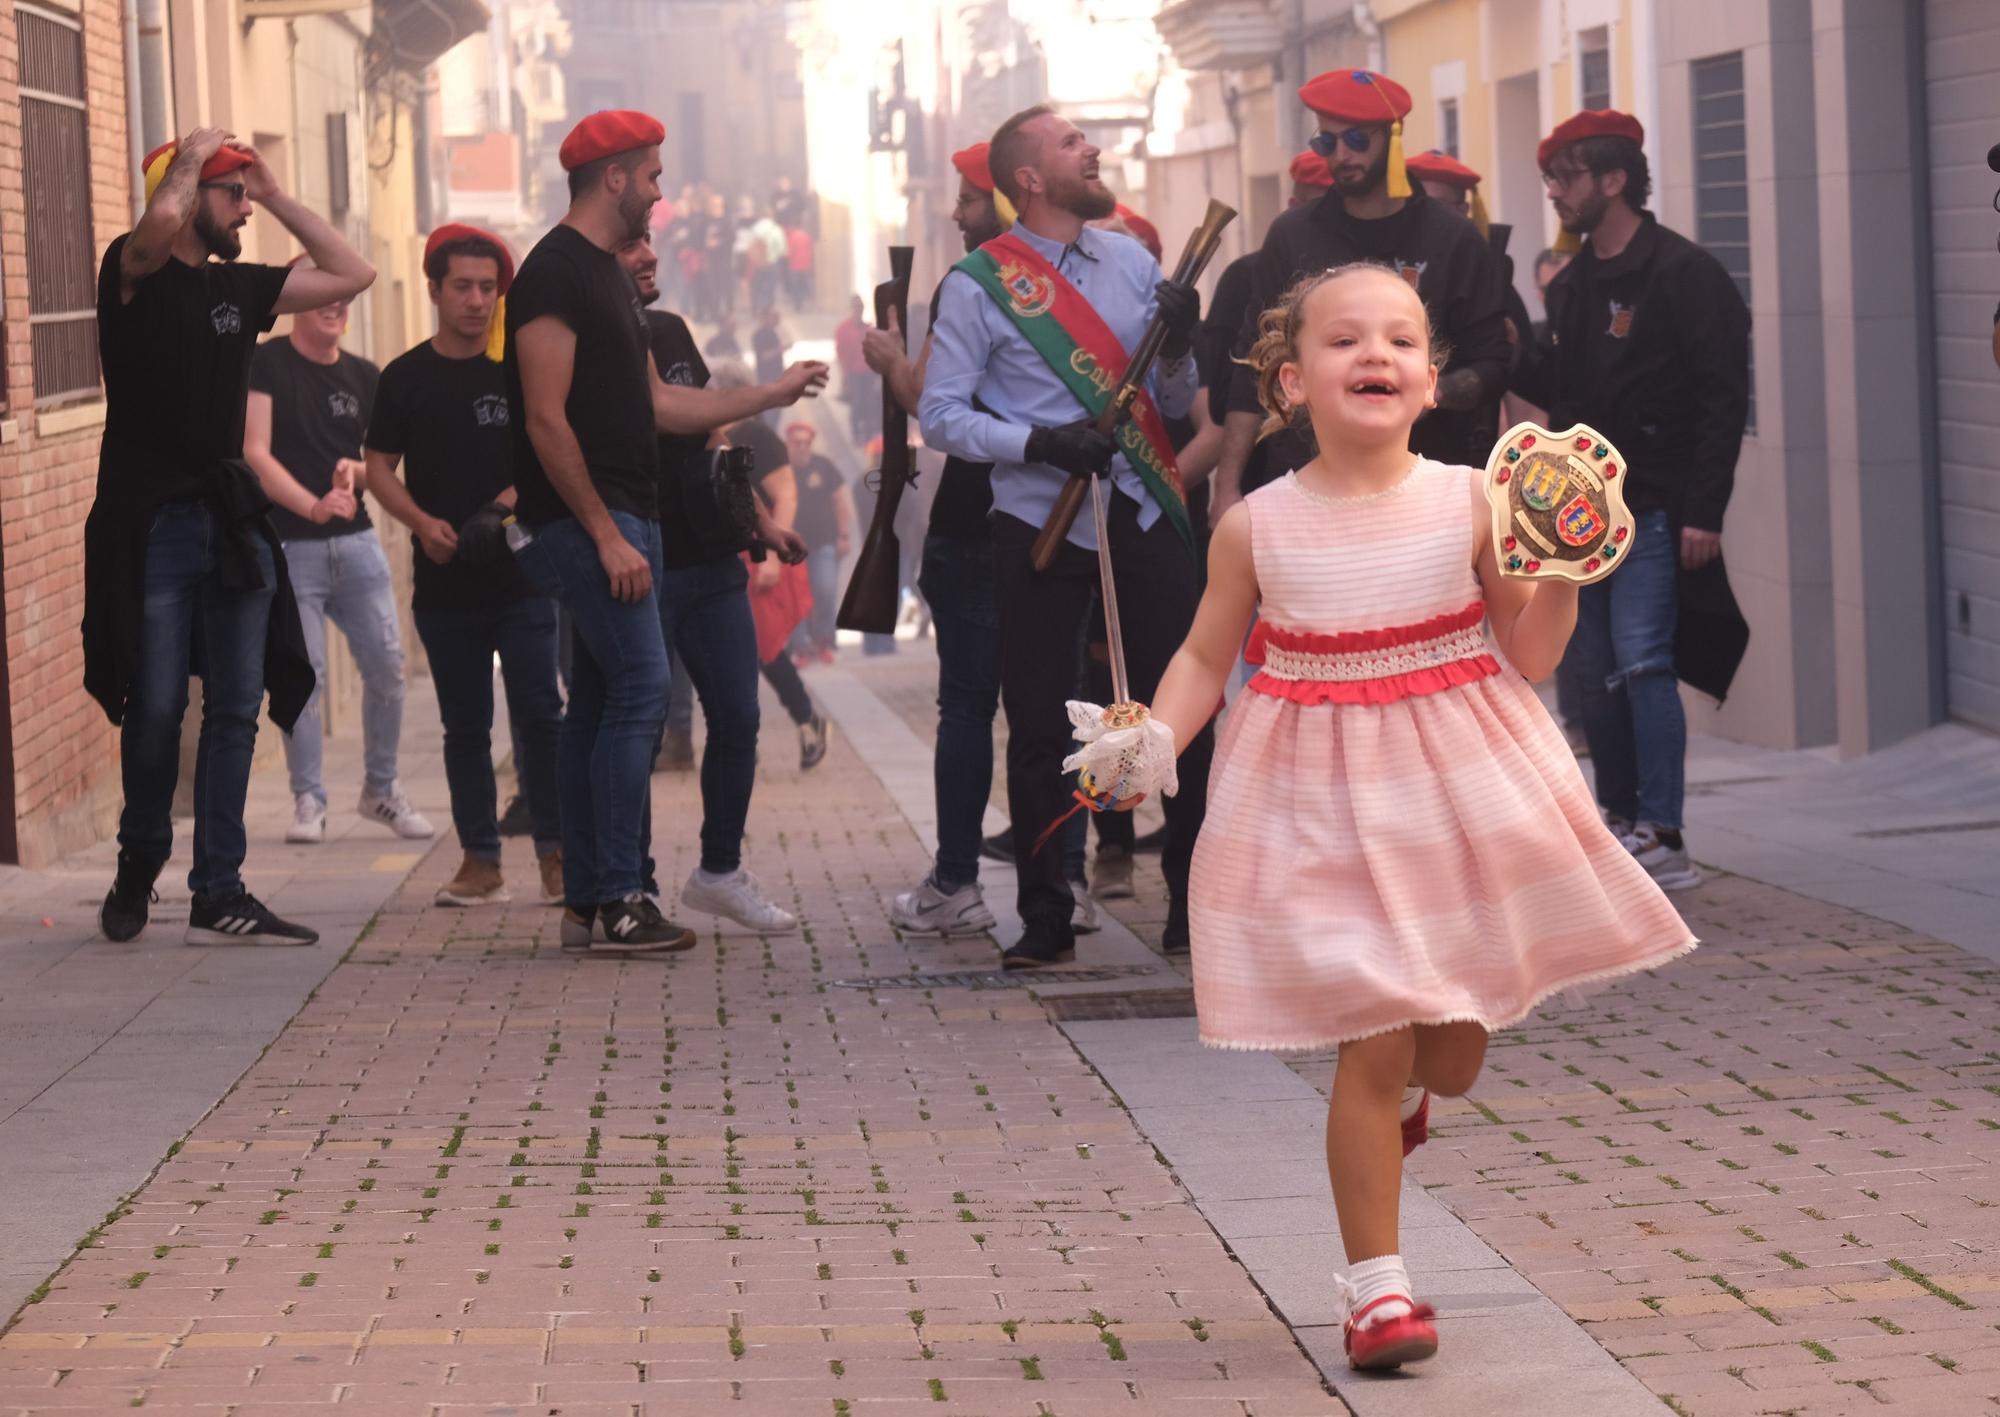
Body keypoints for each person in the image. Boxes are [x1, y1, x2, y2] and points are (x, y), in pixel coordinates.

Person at [1066, 261, 1696, 1370]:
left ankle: (1416, 1090)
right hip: (1320, 807)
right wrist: (1148, 740)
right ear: (1288, 378)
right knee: (1373, 1031)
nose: (1376, 356)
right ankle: (1375, 1293)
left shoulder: (1469, 500)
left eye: (1400, 341)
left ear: (1430, 378)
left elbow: (1534, 653)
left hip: (1459, 799)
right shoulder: (1255, 527)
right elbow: (1207, 655)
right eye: (1345, 340)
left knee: (1446, 1052)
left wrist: (1560, 566)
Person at [920, 104, 1208, 968]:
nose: (1093, 149)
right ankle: (1046, 911)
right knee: (1043, 718)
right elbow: (940, 416)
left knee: (1186, 710)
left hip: (1142, 504)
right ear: (1030, 180)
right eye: (1071, 143)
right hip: (1036, 518)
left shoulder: (1129, 257)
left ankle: (1195, 904)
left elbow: (1175, 388)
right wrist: (1037, 442)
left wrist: (1181, 344)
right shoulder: (978, 282)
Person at [88, 129, 375, 946]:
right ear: (186, 197)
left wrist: (278, 191)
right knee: (157, 709)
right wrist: (189, 159)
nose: (245, 209)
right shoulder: (129, 272)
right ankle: (140, 860)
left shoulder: (240, 288)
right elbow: (154, 232)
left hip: (232, 523)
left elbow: (354, 273)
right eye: (234, 194)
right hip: (154, 526)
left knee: (238, 707)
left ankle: (219, 887)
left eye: (248, 196)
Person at [1512, 110, 1751, 891]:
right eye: (1551, 178)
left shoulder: (1683, 274)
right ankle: (1617, 820)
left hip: (1656, 505)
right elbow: (1559, 389)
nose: (1554, 191)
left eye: (1566, 177)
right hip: (1581, 514)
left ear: (1613, 180)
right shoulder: (1576, 285)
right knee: (1591, 672)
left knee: (1644, 662)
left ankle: (1664, 831)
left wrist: (1704, 510)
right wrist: (1498, 342)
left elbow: (1724, 397)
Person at [502, 109, 708, 953]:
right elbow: (546, 421)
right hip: (593, 523)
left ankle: (589, 898)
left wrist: (765, 396)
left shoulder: (604, 275)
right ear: (615, 177)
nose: (660, 190)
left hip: (630, 513)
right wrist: (604, 535)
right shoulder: (554, 273)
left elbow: (655, 404)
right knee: (639, 693)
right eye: (652, 175)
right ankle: (624, 896)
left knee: (596, 701)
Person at [616, 236, 828, 932]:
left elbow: (708, 437)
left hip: (709, 561)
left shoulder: (670, 328)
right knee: (636, 728)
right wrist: (771, 389)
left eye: (651, 243)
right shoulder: (578, 340)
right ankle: (628, 886)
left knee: (738, 715)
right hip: (636, 561)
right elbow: (656, 413)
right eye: (630, 246)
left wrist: (760, 524)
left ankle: (719, 869)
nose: (649, 255)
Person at [363, 224, 565, 909]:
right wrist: (422, 523)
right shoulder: (405, 378)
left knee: (541, 712)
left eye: (487, 288)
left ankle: (557, 853)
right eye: (463, 287)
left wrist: (498, 508)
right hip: (445, 585)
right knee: (465, 725)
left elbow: (547, 453)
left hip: (523, 577)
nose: (476, 301)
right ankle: (481, 859)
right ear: (434, 290)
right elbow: (377, 467)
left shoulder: (518, 371)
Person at [1211, 69, 1510, 520]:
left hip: (1428, 486)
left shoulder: (1453, 238)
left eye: (1355, 139)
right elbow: (1253, 368)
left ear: (1392, 139)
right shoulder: (1292, 235)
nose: (1342, 155)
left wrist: (1423, 394)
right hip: (1305, 482)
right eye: (1327, 143)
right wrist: (1227, 486)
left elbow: (1494, 361)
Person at [245, 270, 433, 848]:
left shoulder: (364, 376)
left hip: (357, 544)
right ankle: (309, 799)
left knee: (388, 666)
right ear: (298, 301)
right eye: (323, 295)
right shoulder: (267, 364)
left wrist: (352, 475)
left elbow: (380, 465)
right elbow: (253, 452)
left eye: (343, 298)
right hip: (290, 546)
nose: (335, 305)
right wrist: (311, 505)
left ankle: (381, 790)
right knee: (305, 677)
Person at [781, 422, 852, 662]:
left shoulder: (824, 466)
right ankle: (800, 645)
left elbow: (841, 503)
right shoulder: (780, 469)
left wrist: (844, 535)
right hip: (791, 547)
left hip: (824, 543)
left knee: (825, 590)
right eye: (796, 443)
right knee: (795, 596)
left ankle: (824, 640)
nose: (802, 447)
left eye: (805, 443)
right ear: (788, 443)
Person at [835, 294, 879, 442]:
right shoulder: (843, 329)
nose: (858, 310)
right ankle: (856, 434)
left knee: (869, 403)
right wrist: (844, 375)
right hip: (853, 372)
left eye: (860, 307)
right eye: (856, 307)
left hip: (868, 371)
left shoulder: (868, 328)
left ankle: (867, 434)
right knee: (857, 402)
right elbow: (841, 353)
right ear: (852, 308)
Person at [784, 221, 815, 308]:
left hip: (795, 264)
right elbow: (810, 249)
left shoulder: (792, 236)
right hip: (805, 263)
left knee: (795, 285)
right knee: (804, 283)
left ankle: (798, 303)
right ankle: (808, 299)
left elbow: (789, 252)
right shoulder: (806, 236)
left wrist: (787, 260)